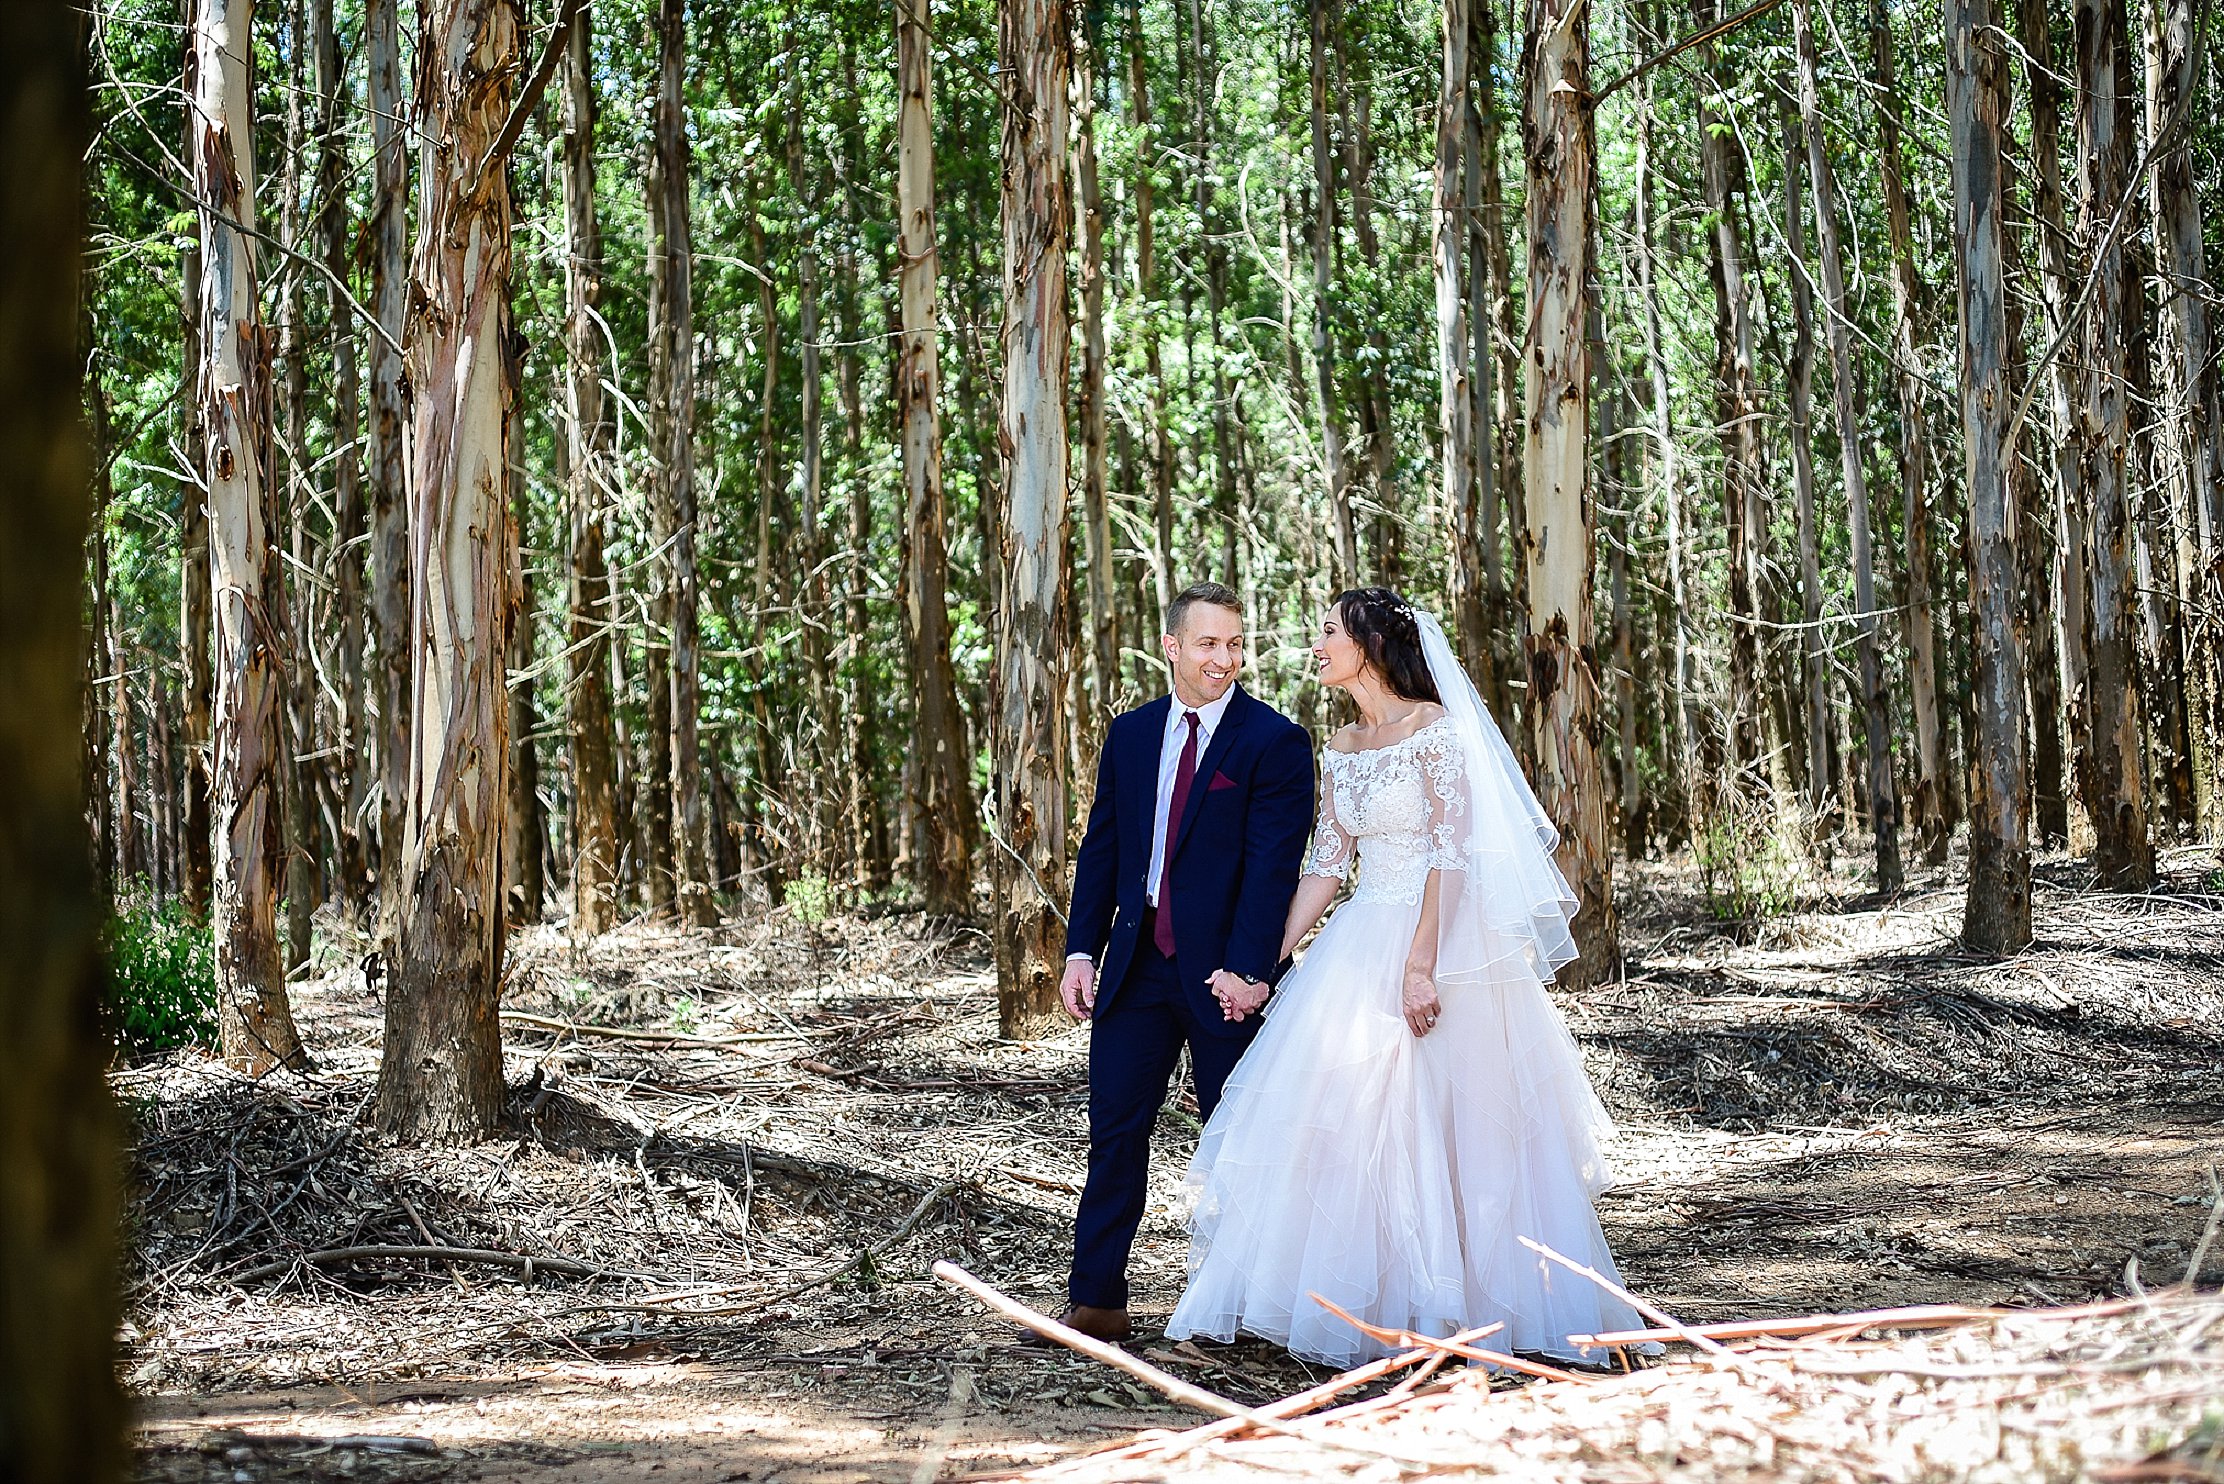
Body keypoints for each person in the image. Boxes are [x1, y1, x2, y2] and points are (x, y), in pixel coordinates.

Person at [1164, 587, 1649, 1366]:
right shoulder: (1345, 746)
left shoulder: (1438, 733)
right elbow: (1326, 866)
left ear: (1369, 645)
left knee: (1457, 1128)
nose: (1314, 645)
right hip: (1360, 940)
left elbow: (1452, 856)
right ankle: (1371, 1303)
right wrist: (1262, 967)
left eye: (1327, 632)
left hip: (1445, 941)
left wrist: (1421, 964)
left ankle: (1466, 1303)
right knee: (1351, 1123)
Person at [1053, 581, 1316, 1344]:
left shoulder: (1274, 741)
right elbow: (1103, 849)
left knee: (1237, 1139)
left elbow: (1274, 868)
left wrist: (1250, 971)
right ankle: (1095, 1303)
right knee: (1114, 1134)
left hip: (1227, 979)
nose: (1224, 660)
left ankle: (1244, 1309)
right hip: (1135, 970)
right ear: (1172, 646)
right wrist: (1080, 949)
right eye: (1208, 644)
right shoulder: (1131, 736)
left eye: (1235, 645)